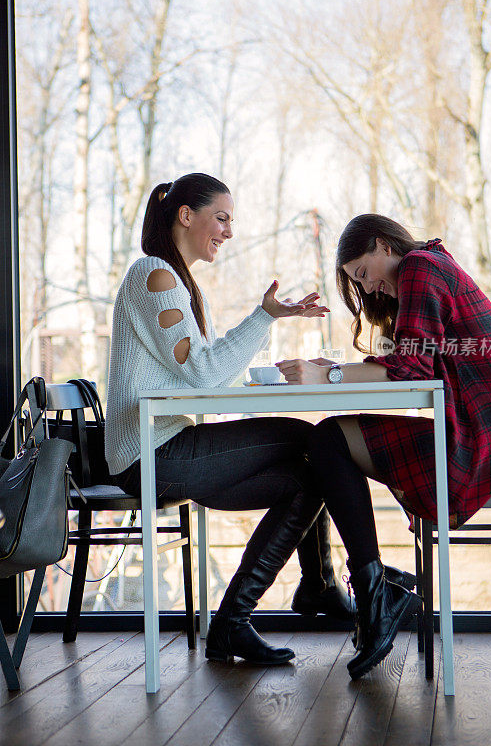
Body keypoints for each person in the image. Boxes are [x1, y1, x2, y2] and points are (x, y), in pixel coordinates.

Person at [105, 172, 367, 667]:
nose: (228, 231)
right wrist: (264, 316)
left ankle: (234, 623)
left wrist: (266, 319)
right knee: (313, 438)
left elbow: (195, 374)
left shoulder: (172, 281)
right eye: (221, 218)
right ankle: (323, 585)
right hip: (150, 455)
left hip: (168, 447)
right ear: (187, 215)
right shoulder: (155, 276)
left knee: (309, 479)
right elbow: (206, 372)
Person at [277, 213, 491, 680]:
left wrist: (325, 374)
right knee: (329, 438)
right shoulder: (433, 264)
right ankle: (371, 591)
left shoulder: (420, 266)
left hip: (490, 445)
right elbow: (421, 363)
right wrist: (337, 371)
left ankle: (371, 593)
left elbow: (412, 369)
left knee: (329, 439)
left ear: (382, 244)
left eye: (362, 273)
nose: (369, 288)